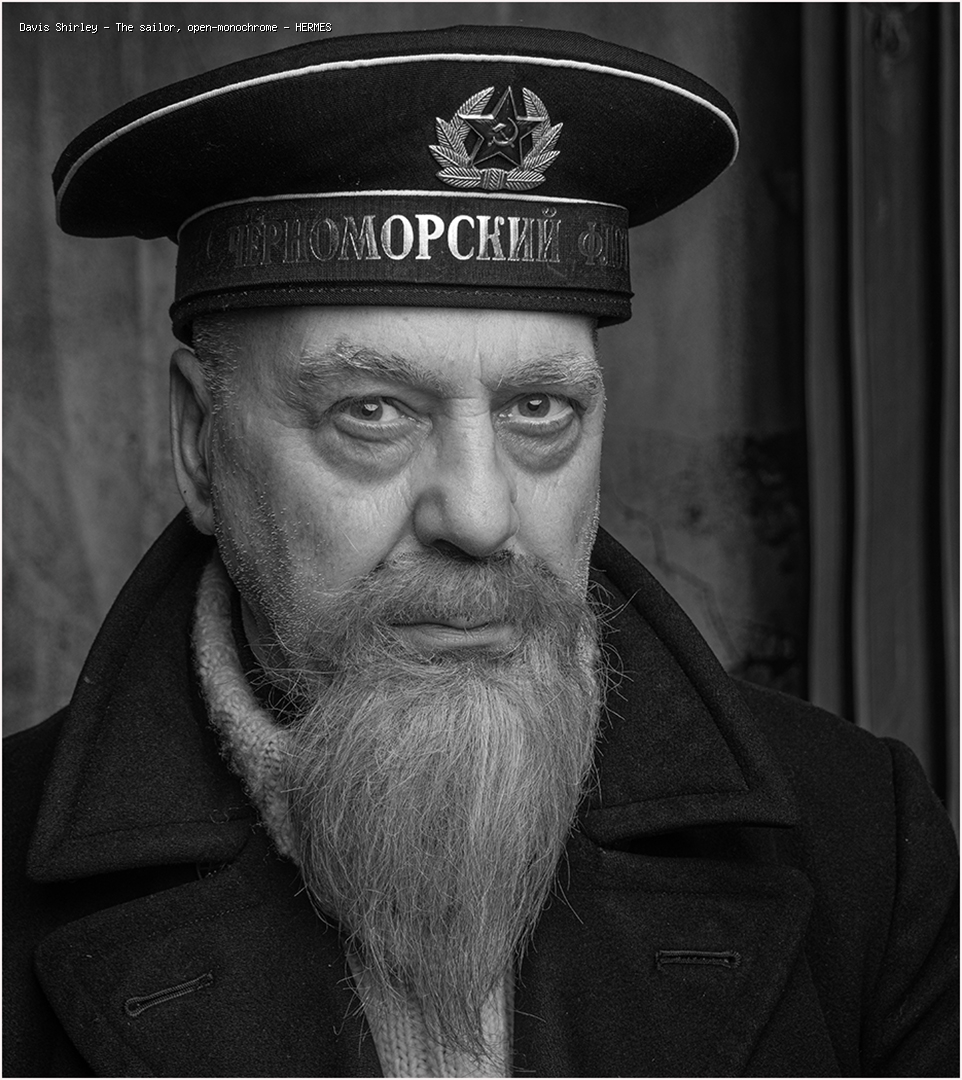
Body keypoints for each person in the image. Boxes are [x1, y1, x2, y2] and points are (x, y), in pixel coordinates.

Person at [4, 24, 957, 1079]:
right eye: (371, 411)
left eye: (538, 409)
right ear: (198, 442)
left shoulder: (863, 845)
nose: (478, 513)